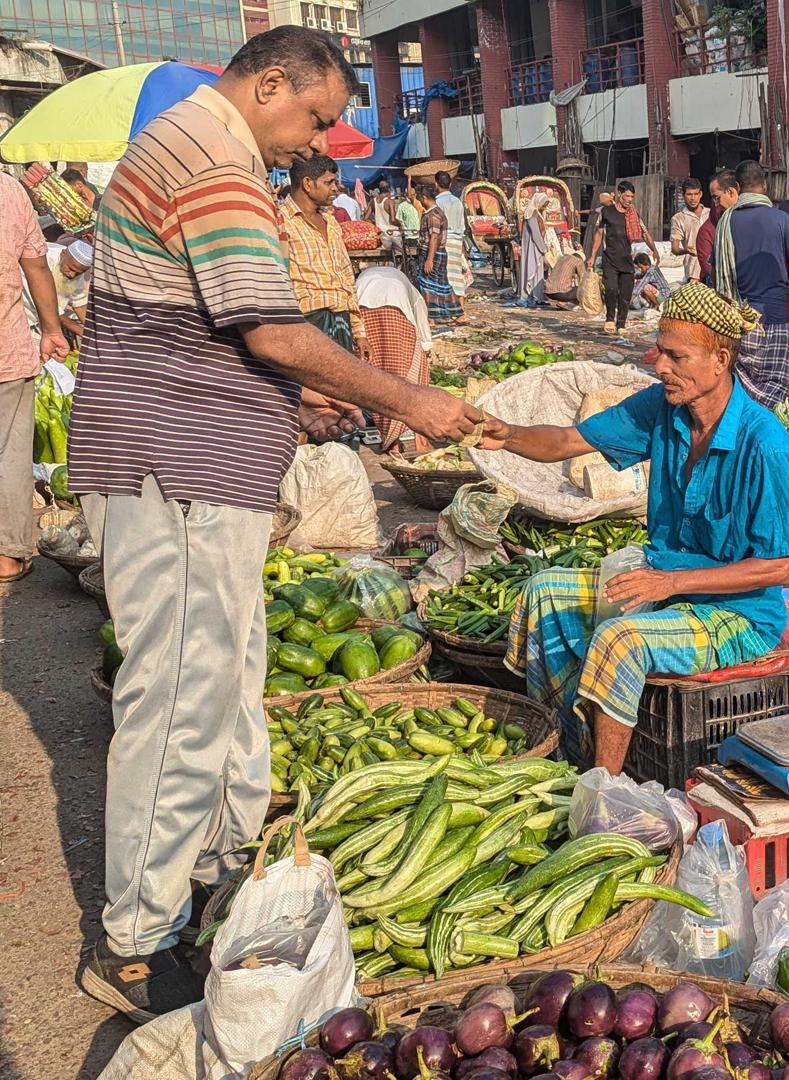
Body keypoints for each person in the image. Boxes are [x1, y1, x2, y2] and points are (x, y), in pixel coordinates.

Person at [68, 26, 481, 1019]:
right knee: (178, 706)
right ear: (269, 84)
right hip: (180, 470)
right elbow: (272, 329)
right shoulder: (215, 158)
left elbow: (204, 326)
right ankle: (133, 943)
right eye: (319, 117)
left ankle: (212, 872)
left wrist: (290, 403)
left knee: (225, 684)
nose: (322, 140)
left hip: (202, 459)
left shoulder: (202, 143)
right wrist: (406, 399)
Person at [493, 283, 789, 770]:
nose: (659, 366)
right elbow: (565, 441)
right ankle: (566, 754)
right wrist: (499, 433)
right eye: (661, 352)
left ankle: (604, 788)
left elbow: (779, 568)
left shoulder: (764, 443)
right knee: (543, 595)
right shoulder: (663, 409)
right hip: (671, 589)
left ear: (721, 359)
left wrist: (670, 581)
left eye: (676, 356)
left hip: (739, 616)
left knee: (619, 642)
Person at [0, 170, 68, 584]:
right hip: (5, 351)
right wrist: (53, 330)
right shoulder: (8, 190)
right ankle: (7, 555)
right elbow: (37, 267)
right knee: (9, 454)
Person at [712, 160, 789, 406]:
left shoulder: (725, 223)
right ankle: (768, 433)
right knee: (774, 385)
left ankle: (743, 433)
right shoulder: (781, 219)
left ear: (738, 187)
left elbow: (715, 272)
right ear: (765, 186)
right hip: (775, 316)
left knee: (741, 385)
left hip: (737, 319)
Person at [278, 153, 364, 351]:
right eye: (329, 183)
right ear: (308, 184)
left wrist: (359, 332)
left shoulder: (331, 222)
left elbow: (346, 277)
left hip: (341, 319)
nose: (335, 188)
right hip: (307, 322)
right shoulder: (281, 222)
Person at [355, 265, 434, 450]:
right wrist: (426, 346)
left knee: (377, 379)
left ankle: (391, 442)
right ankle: (420, 439)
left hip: (364, 313)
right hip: (397, 313)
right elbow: (420, 314)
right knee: (412, 378)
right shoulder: (406, 285)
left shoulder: (361, 280)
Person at [589, 180, 641, 344]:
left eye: (631, 197)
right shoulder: (606, 212)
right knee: (611, 289)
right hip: (610, 258)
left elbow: (643, 231)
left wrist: (653, 248)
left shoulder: (632, 214)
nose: (629, 200)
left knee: (625, 294)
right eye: (626, 196)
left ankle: (621, 323)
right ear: (619, 194)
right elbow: (598, 233)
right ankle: (610, 319)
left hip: (626, 259)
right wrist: (592, 255)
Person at [415, 177, 463, 323]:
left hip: (434, 254)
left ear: (424, 198)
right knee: (441, 285)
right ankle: (454, 313)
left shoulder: (433, 215)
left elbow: (434, 238)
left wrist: (429, 259)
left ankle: (432, 318)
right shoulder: (435, 212)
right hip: (437, 253)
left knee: (429, 286)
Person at [35, 237, 94, 341]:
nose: (72, 275)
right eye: (70, 268)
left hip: (43, 323)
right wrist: (79, 330)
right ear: (63, 254)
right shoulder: (42, 260)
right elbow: (44, 302)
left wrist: (94, 329)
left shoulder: (75, 271)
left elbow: (78, 301)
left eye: (78, 273)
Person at [433, 170, 472, 316]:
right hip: (457, 241)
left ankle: (449, 311)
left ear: (436, 184)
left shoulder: (437, 203)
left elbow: (437, 228)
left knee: (444, 277)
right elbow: (462, 226)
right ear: (450, 183)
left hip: (443, 242)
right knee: (457, 276)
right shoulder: (457, 202)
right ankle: (460, 311)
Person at [517, 187, 556, 305]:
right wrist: (543, 248)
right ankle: (532, 295)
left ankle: (537, 296)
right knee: (532, 268)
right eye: (543, 205)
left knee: (538, 271)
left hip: (536, 245)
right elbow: (535, 233)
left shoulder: (537, 212)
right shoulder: (532, 213)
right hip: (533, 246)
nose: (544, 208)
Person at [697, 171, 737, 286]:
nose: (716, 205)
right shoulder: (706, 231)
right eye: (714, 199)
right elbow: (708, 266)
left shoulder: (736, 223)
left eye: (717, 198)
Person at [669, 177, 708, 284]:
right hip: (694, 273)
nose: (693, 198)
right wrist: (686, 250)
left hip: (713, 268)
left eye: (696, 194)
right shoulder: (678, 218)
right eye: (689, 194)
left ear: (701, 194)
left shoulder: (710, 214)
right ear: (683, 195)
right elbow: (675, 249)